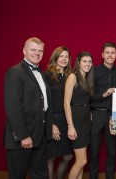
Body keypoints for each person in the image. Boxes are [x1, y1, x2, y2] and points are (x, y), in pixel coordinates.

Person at [3, 37, 52, 179]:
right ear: (24, 50)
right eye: (33, 50)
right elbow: (13, 107)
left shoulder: (41, 74)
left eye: (40, 51)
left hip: (39, 136)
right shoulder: (15, 72)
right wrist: (23, 136)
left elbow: (44, 103)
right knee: (18, 175)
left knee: (41, 175)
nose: (37, 53)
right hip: (22, 138)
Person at [89, 42, 116, 179]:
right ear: (102, 55)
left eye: (113, 52)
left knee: (112, 152)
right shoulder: (93, 71)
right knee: (94, 152)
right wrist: (104, 95)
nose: (110, 55)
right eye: (107, 52)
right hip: (96, 114)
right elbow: (87, 97)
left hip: (113, 116)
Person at [43, 46, 73, 179]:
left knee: (68, 155)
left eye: (66, 57)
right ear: (55, 58)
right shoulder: (47, 76)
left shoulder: (70, 76)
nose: (64, 59)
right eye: (61, 56)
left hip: (66, 120)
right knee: (51, 157)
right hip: (53, 119)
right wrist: (51, 124)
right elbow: (45, 103)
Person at [64, 51, 94, 179]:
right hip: (76, 122)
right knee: (82, 161)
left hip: (85, 121)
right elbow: (66, 102)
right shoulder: (73, 76)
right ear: (78, 62)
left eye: (90, 61)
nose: (88, 64)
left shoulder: (86, 78)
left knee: (81, 162)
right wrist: (70, 125)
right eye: (85, 61)